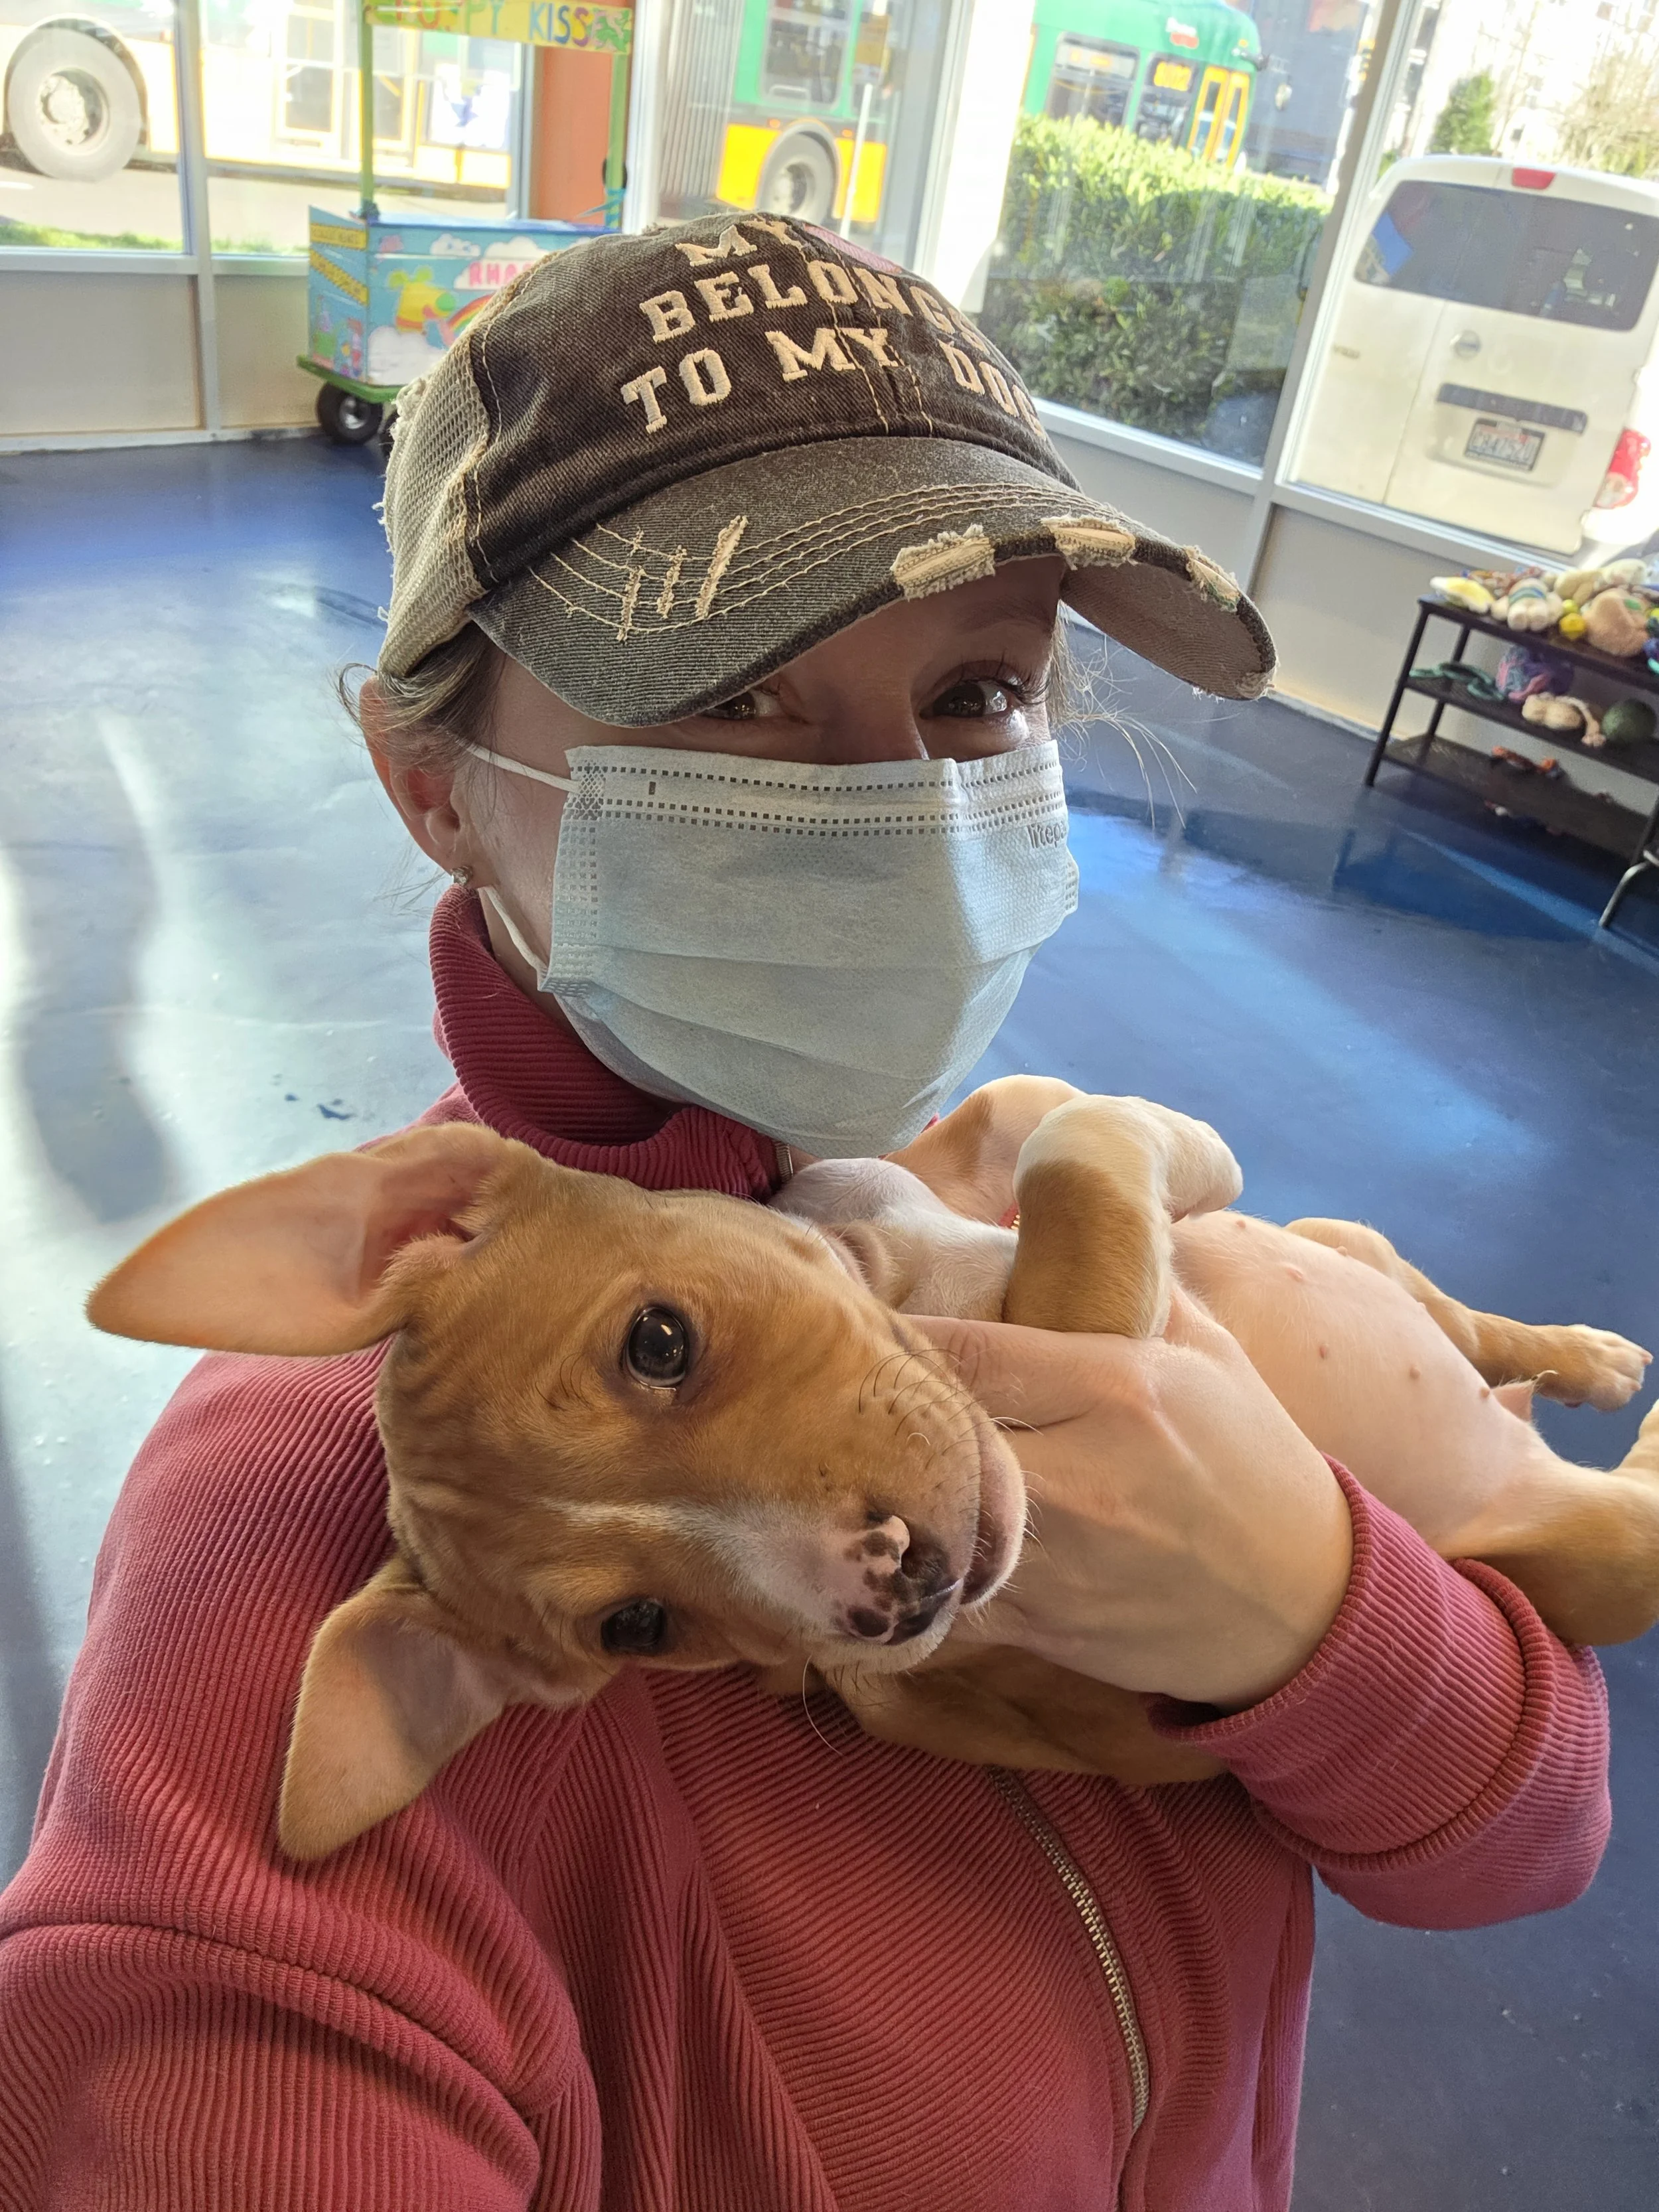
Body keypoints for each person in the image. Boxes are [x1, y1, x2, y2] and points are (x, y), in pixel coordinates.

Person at [0, 214, 1607, 2211]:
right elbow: (214, 2041)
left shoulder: (958, 1202)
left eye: (976, 697)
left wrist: (1314, 1622)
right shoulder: (326, 1539)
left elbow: (1518, 1845)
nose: (897, 819)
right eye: (741, 699)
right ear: (432, 779)